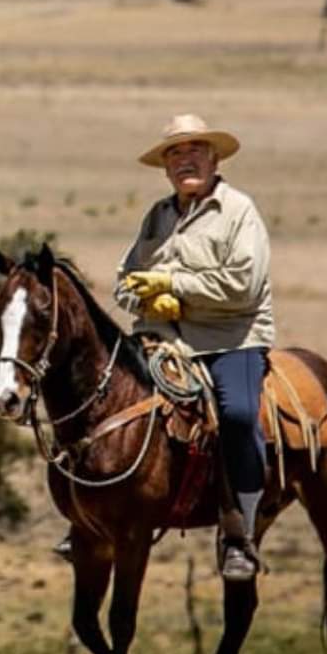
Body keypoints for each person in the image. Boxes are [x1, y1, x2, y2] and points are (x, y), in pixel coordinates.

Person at [114, 113, 276, 582]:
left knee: (238, 414)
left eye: (194, 152)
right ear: (165, 168)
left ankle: (239, 535)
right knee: (107, 401)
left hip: (228, 338)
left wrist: (173, 285)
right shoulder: (158, 216)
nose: (185, 162)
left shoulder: (239, 211)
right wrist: (142, 295)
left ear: (214, 159)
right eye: (175, 154)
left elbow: (243, 285)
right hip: (162, 338)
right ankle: (97, 513)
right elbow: (124, 281)